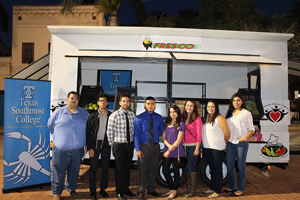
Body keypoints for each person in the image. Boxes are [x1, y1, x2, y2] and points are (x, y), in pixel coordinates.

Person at [47, 91, 89, 200]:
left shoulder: (84, 113)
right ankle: (56, 192)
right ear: (67, 99)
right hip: (60, 150)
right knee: (58, 171)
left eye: (76, 98)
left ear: (78, 100)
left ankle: (71, 189)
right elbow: (50, 125)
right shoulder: (58, 113)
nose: (74, 100)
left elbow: (88, 129)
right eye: (72, 98)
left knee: (74, 171)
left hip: (77, 150)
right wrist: (59, 138)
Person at [224, 93, 254, 196]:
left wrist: (245, 138)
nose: (236, 102)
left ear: (241, 102)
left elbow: (251, 129)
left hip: (241, 143)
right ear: (231, 102)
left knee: (241, 166)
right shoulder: (229, 114)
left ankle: (241, 188)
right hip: (230, 143)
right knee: (230, 165)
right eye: (234, 100)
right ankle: (232, 187)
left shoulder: (246, 113)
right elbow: (226, 130)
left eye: (238, 100)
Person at [134, 96, 164, 200]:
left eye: (152, 103)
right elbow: (136, 135)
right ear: (144, 105)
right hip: (144, 147)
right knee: (143, 170)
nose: (150, 105)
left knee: (153, 169)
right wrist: (138, 149)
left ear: (155, 105)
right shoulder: (139, 118)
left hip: (155, 147)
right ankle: (141, 191)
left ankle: (151, 189)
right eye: (148, 103)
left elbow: (161, 131)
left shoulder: (159, 118)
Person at [107, 94, 136, 200]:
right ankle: (119, 192)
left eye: (128, 101)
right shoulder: (114, 115)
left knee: (127, 169)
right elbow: (109, 132)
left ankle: (126, 189)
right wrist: (113, 146)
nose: (126, 103)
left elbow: (133, 131)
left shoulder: (132, 115)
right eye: (124, 101)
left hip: (129, 146)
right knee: (119, 169)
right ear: (120, 102)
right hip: (119, 146)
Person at [202, 100, 231, 198]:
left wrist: (224, 143)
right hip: (208, 148)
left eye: (212, 107)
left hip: (217, 148)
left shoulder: (220, 118)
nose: (210, 108)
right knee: (212, 169)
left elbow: (227, 133)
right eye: (209, 107)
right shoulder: (207, 118)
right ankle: (213, 188)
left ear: (216, 108)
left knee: (217, 169)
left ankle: (218, 190)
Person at [86, 93, 112, 200]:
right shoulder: (91, 116)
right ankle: (93, 191)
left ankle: (103, 189)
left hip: (106, 146)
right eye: (101, 100)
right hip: (94, 147)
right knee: (93, 169)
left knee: (105, 168)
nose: (103, 102)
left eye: (105, 101)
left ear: (108, 103)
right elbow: (88, 133)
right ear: (97, 103)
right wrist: (90, 148)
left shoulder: (111, 116)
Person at [162, 105, 185, 199]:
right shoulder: (166, 123)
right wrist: (168, 147)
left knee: (176, 172)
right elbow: (163, 137)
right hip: (167, 149)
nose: (172, 113)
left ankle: (174, 191)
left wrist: (170, 149)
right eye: (171, 112)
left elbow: (179, 140)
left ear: (178, 113)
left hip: (177, 151)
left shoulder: (181, 124)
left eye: (174, 111)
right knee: (165, 170)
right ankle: (171, 188)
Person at [181, 100, 203, 198]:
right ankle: (189, 189)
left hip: (193, 146)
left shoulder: (197, 118)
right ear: (185, 106)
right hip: (184, 146)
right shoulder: (183, 117)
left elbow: (199, 135)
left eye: (191, 106)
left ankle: (193, 190)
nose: (189, 107)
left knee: (191, 167)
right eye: (187, 105)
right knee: (187, 167)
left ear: (194, 107)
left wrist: (197, 148)